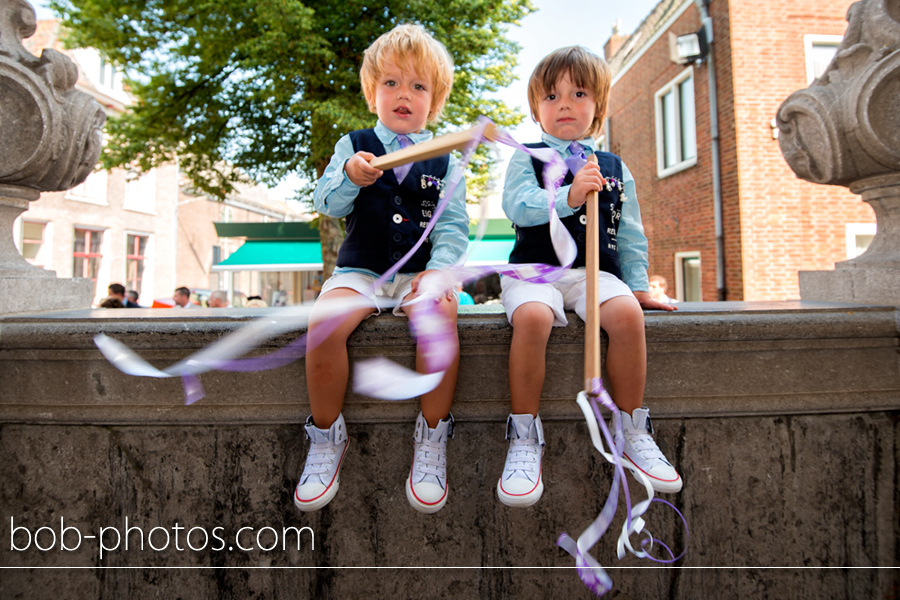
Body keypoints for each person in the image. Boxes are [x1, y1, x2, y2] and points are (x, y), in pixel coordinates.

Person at [497, 46, 682, 507]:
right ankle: (523, 433)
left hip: (592, 272)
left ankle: (633, 427)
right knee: (535, 319)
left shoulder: (615, 168)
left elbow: (630, 233)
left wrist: (637, 286)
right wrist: (568, 197)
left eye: (578, 93)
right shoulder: (528, 155)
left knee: (625, 316)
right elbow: (517, 206)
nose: (563, 104)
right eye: (551, 95)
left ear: (597, 106)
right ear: (536, 107)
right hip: (534, 272)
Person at [294, 23, 467, 515]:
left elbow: (453, 229)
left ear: (433, 102)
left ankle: (432, 437)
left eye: (417, 86)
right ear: (373, 93)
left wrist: (439, 273)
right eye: (391, 83)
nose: (403, 95)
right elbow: (325, 202)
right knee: (324, 324)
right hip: (361, 271)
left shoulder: (446, 160)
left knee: (440, 320)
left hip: (417, 274)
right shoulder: (354, 145)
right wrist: (349, 177)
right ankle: (327, 436)